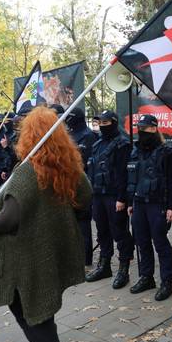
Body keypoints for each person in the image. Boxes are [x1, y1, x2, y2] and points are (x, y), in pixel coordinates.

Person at [0, 106, 92, 342]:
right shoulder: (68, 166)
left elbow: (7, 220)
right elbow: (85, 196)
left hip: (28, 255)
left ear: (28, 136)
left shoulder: (28, 172)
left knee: (28, 308)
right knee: (42, 303)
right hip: (52, 248)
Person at [127, 114, 172, 301]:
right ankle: (146, 277)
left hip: (158, 204)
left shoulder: (166, 153)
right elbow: (132, 178)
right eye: (139, 128)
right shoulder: (135, 151)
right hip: (139, 203)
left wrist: (171, 207)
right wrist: (130, 202)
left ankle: (167, 283)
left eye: (145, 128)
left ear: (154, 129)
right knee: (141, 241)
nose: (142, 131)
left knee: (160, 243)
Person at [85, 110, 134, 289]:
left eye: (106, 123)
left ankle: (124, 269)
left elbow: (124, 174)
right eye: (101, 123)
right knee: (102, 231)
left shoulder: (122, 144)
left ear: (113, 122)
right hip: (98, 194)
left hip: (114, 196)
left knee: (119, 232)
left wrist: (122, 198)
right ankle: (104, 265)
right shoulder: (97, 144)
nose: (103, 126)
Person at [66, 107, 96, 267]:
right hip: (68, 182)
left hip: (82, 183)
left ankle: (85, 258)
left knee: (83, 223)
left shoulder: (88, 136)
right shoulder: (69, 135)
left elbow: (89, 163)